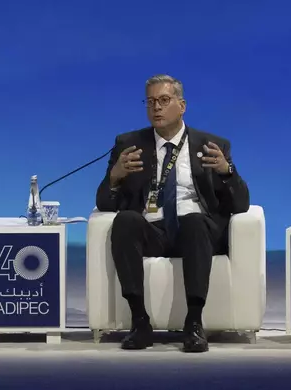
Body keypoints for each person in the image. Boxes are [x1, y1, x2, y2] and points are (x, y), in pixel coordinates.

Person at [96, 74, 250, 352]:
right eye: (151, 101)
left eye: (164, 100)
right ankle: (140, 321)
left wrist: (227, 173)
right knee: (126, 220)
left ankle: (193, 323)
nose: (156, 107)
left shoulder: (212, 145)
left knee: (193, 221)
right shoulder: (129, 144)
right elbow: (105, 203)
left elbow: (240, 205)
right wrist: (115, 177)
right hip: (151, 230)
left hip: (194, 232)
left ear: (182, 106)